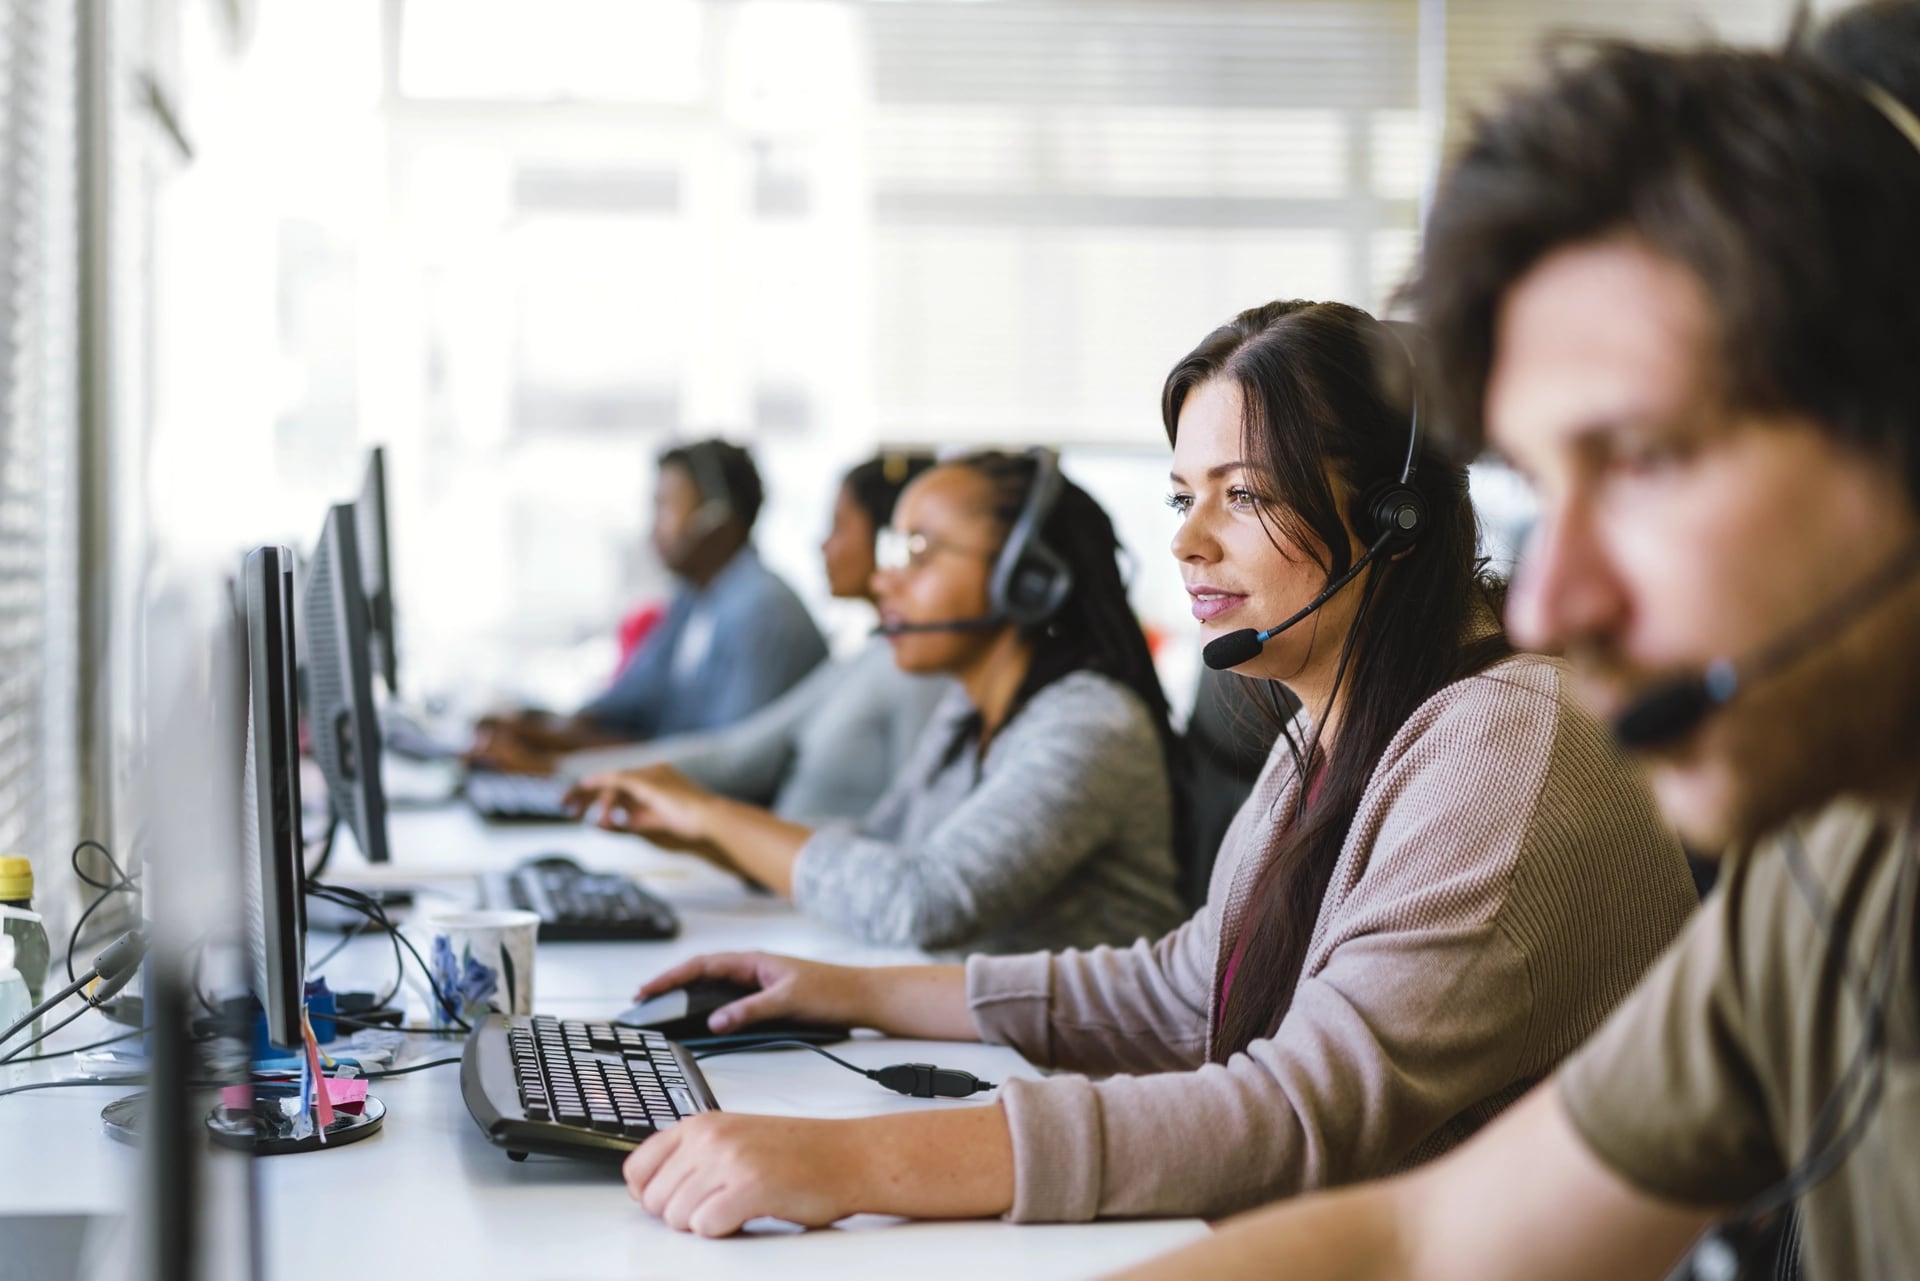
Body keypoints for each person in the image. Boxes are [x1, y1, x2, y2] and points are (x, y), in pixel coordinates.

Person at [604, 300, 1700, 1238]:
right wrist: (847, 991)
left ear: (1393, 518)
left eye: (1247, 493)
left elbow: (1297, 1114)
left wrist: (851, 1167)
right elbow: (1184, 991)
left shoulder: (1506, 739)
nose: (1187, 541)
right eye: (1185, 496)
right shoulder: (1333, 726)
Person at [1099, 38, 1920, 1281]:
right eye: (1546, 484)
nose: (1550, 601)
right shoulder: (1832, 868)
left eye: (1644, 460)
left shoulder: (1511, 735)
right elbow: (1423, 1235)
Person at [568, 449, 1188, 955]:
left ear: (1027, 578)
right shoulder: (970, 713)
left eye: (919, 553)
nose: (884, 580)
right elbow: (882, 842)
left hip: (1074, 1081)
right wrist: (697, 834)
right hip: (987, 1054)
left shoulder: (1089, 724)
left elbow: (923, 901)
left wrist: (712, 816)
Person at [556, 453, 949, 823]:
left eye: (839, 526)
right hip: (782, 873)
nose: (822, 544)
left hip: (792, 880)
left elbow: (738, 765)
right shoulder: (867, 655)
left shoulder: (771, 613)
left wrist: (564, 768)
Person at [469, 439, 827, 772]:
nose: (653, 528)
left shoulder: (765, 612)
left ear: (716, 518)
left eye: (665, 507)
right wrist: (532, 729)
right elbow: (624, 707)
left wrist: (556, 764)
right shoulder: (695, 599)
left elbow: (722, 765)